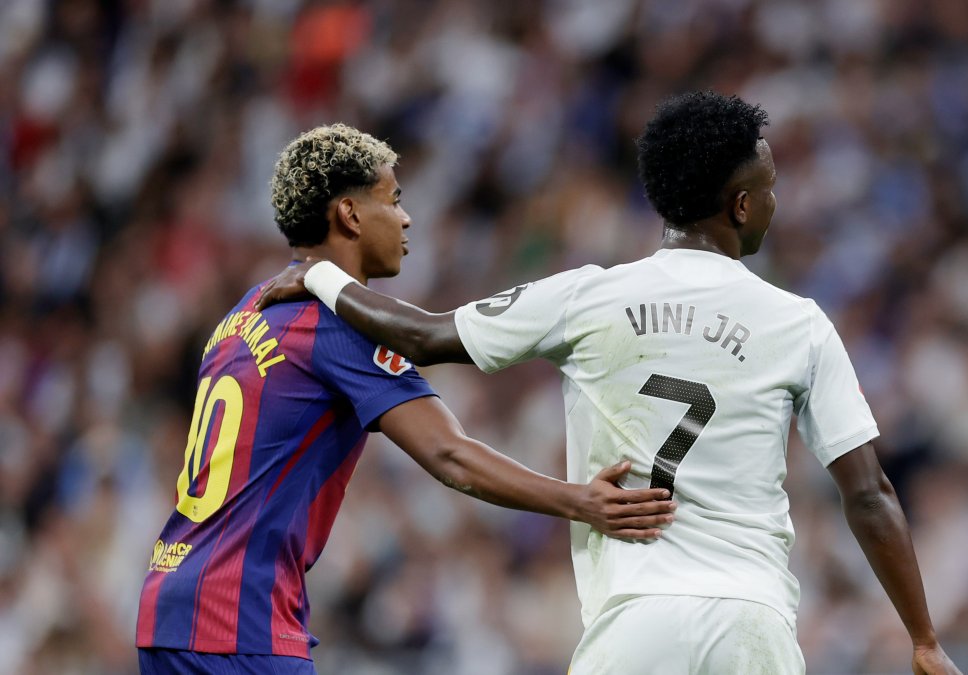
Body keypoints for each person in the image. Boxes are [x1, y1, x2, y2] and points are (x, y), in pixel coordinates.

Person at [259, 94, 961, 674]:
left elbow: (424, 335)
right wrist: (923, 638)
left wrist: (319, 273)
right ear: (740, 207)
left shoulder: (591, 297)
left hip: (635, 622)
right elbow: (869, 493)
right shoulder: (798, 323)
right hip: (752, 622)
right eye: (769, 189)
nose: (775, 203)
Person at [135, 124, 675, 675]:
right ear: (349, 214)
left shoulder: (244, 312)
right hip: (237, 621)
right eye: (392, 200)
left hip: (169, 601)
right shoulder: (335, 324)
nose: (406, 217)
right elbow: (449, 454)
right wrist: (578, 501)